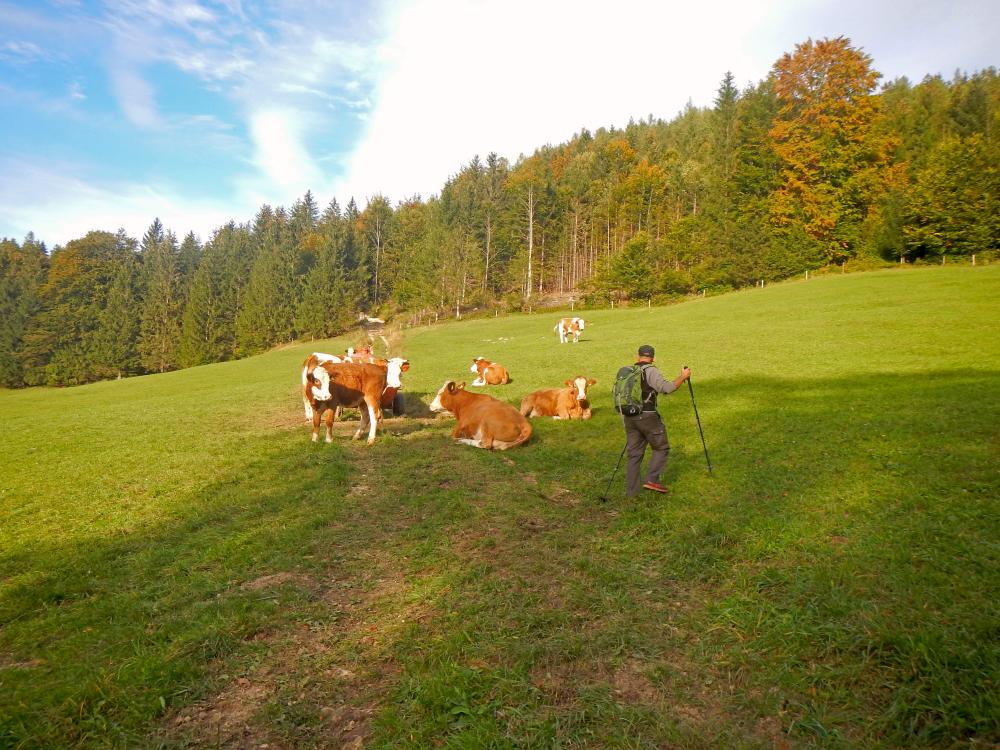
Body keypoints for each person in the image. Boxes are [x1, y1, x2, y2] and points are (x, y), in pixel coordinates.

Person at [623, 344, 690, 497]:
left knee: (634, 454)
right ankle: (651, 479)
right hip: (647, 416)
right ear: (653, 358)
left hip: (629, 417)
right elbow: (667, 388)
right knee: (661, 448)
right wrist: (683, 377)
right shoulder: (651, 370)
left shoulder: (628, 372)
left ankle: (632, 493)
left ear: (637, 356)